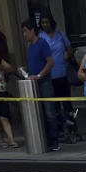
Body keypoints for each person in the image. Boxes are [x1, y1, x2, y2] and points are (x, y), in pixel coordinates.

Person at [20, 17, 59, 151]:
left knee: (49, 112)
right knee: (40, 112)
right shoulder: (30, 47)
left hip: (44, 82)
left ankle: (54, 141)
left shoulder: (42, 43)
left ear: (32, 30)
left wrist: (38, 75)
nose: (24, 34)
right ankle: (45, 139)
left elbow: (50, 62)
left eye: (26, 31)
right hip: (34, 83)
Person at [39, 13, 72, 139]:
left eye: (47, 22)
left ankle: (72, 128)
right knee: (55, 105)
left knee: (67, 103)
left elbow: (69, 48)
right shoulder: (41, 37)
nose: (45, 25)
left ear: (52, 22)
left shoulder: (60, 34)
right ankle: (60, 130)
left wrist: (67, 55)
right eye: (42, 23)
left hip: (62, 73)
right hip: (49, 75)